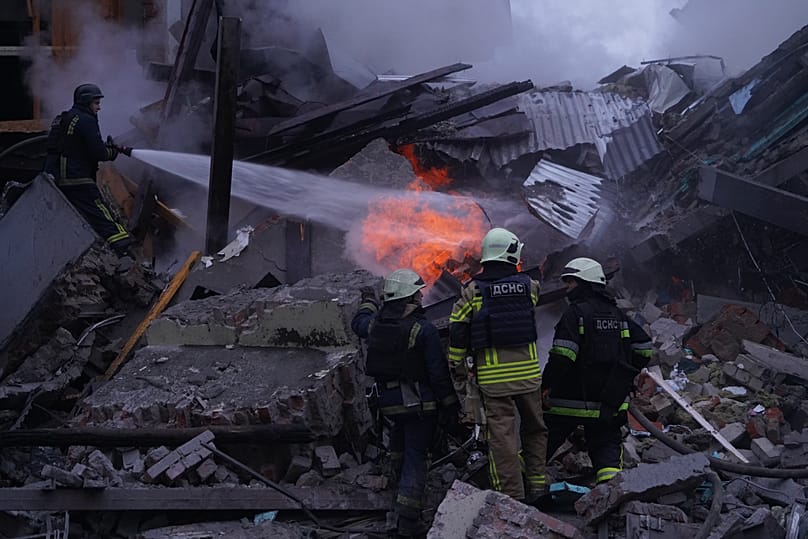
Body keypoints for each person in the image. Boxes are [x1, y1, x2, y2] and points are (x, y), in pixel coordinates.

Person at [351, 269, 459, 537]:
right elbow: (438, 373)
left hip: (388, 404)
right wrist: (450, 407)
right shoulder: (423, 329)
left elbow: (358, 322)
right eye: (417, 293)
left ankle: (392, 503)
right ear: (408, 298)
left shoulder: (376, 325)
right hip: (418, 404)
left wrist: (367, 300)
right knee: (416, 456)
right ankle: (409, 520)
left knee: (397, 448)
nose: (421, 297)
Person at [447, 227, 548, 502]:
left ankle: (512, 498)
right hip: (529, 376)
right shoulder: (530, 286)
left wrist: (456, 365)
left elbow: (457, 330)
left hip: (494, 381)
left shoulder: (473, 290)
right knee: (535, 429)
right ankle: (538, 486)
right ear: (512, 253)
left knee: (503, 440)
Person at [541, 257, 654, 484]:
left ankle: (520, 483)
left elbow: (563, 356)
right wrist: (623, 373)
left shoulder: (576, 314)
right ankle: (611, 495)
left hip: (570, 400)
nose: (567, 288)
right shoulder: (617, 315)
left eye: (571, 283)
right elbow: (644, 348)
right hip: (608, 400)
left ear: (585, 283)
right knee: (607, 446)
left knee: (543, 440)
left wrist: (546, 385)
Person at [44, 83, 133, 256]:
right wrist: (112, 152)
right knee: (100, 212)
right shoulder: (86, 119)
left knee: (73, 217)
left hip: (57, 179)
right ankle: (123, 248)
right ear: (86, 101)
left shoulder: (62, 118)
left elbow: (58, 147)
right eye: (96, 103)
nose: (99, 107)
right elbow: (98, 152)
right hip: (78, 178)